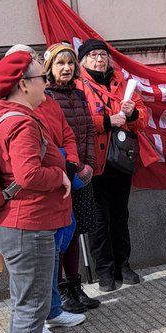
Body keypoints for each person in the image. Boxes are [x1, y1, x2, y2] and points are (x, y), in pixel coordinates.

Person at [0, 49, 75, 333]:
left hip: (19, 223)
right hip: (28, 225)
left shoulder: (5, 115)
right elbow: (28, 175)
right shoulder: (21, 122)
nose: (47, 84)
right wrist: (60, 175)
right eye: (41, 78)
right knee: (30, 306)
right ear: (23, 84)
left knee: (28, 303)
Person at [78, 39, 146, 292]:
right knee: (98, 220)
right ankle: (104, 271)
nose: (99, 59)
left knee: (120, 215)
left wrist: (132, 114)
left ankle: (123, 265)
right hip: (94, 164)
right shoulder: (78, 85)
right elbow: (78, 123)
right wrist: (108, 121)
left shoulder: (123, 83)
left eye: (103, 55)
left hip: (120, 161)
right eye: (93, 55)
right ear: (83, 60)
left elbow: (143, 117)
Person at [44, 43, 99, 312]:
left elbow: (88, 131)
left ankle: (76, 287)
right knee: (60, 236)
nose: (66, 68)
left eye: (69, 63)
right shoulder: (45, 98)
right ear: (50, 68)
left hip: (82, 173)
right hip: (62, 176)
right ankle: (61, 292)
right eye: (60, 63)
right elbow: (50, 141)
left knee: (76, 231)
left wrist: (89, 164)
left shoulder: (79, 95)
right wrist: (71, 168)